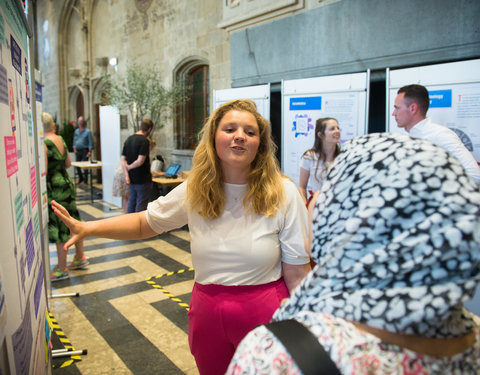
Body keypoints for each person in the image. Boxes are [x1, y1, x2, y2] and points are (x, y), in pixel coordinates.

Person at [51, 99, 311, 375]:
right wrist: (89, 228)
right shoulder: (197, 188)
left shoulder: (283, 192)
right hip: (208, 313)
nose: (239, 136)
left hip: (264, 312)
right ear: (213, 138)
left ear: (260, 143)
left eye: (250, 132)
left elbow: (297, 273)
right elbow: (144, 223)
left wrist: (308, 329)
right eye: (230, 128)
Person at [226, 132, 480, 374]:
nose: (318, 199)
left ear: (358, 217)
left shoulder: (276, 355)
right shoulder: (473, 331)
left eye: (333, 187)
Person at [393, 84, 480, 184]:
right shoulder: (406, 137)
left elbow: (474, 175)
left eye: (397, 108)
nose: (393, 113)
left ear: (413, 108)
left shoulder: (440, 135)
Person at [43, 113, 89, 281]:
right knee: (74, 220)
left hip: (54, 188)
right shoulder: (60, 139)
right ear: (52, 125)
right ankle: (79, 257)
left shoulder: (45, 143)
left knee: (60, 226)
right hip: (66, 184)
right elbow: (68, 164)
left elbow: (44, 171)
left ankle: (62, 268)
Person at [298, 117, 341, 204]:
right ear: (320, 135)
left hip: (337, 206)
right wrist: (305, 209)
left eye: (338, 128)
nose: (337, 131)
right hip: (316, 205)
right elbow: (302, 187)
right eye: (332, 129)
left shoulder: (343, 156)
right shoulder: (310, 156)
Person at [121, 119, 154, 213]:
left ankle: (128, 225)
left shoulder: (129, 139)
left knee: (132, 202)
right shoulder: (144, 141)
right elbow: (140, 161)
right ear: (149, 129)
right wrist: (129, 167)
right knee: (141, 205)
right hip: (142, 178)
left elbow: (123, 159)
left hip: (132, 178)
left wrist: (127, 175)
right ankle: (138, 227)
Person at [73, 115, 93, 184]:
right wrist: (74, 148)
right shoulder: (76, 131)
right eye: (79, 121)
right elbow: (74, 140)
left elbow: (90, 142)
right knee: (77, 165)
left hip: (85, 150)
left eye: (81, 121)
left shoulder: (88, 132)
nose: (80, 122)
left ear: (83, 122)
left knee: (85, 165)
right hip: (78, 150)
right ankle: (80, 178)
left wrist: (90, 151)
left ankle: (85, 179)